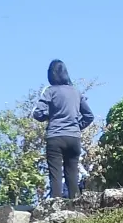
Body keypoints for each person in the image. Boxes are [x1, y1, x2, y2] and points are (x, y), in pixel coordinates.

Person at [33, 60, 94, 199]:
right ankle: (75, 207)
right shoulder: (76, 92)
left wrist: (50, 116)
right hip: (73, 138)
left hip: (55, 136)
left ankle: (55, 207)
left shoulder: (50, 91)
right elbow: (89, 116)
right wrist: (77, 126)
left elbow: (38, 113)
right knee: (72, 174)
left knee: (55, 174)